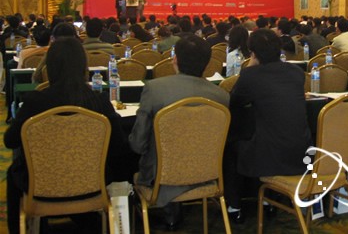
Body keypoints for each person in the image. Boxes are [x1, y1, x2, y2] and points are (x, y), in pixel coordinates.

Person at [4, 37, 129, 234]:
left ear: (50, 68)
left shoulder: (35, 102)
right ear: (84, 67)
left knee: (14, 170)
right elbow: (118, 145)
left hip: (41, 186)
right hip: (93, 184)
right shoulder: (99, 102)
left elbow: (10, 140)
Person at [129, 33, 229, 229]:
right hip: (207, 175)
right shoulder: (222, 96)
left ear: (175, 59)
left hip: (159, 179)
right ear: (208, 64)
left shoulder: (154, 89)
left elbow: (138, 144)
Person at [225, 29, 311, 223]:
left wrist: (251, 66)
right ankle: (267, 201)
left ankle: (234, 206)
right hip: (301, 152)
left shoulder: (251, 75)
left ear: (253, 53)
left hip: (269, 156)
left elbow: (235, 101)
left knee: (231, 147)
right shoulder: (297, 72)